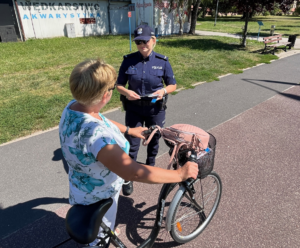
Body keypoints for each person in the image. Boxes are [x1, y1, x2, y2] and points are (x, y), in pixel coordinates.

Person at [59, 58, 198, 247]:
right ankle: (103, 238)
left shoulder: (74, 107)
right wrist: (180, 174)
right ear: (104, 96)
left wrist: (128, 130)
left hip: (81, 186)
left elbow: (99, 118)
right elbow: (133, 172)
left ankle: (106, 232)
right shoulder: (98, 138)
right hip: (101, 193)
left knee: (104, 228)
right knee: (99, 242)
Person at [116, 24, 177, 196]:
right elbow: (118, 85)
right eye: (138, 42)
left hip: (155, 109)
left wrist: (163, 91)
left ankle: (150, 168)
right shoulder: (128, 61)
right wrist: (127, 92)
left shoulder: (162, 62)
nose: (142, 45)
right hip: (134, 109)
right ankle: (128, 177)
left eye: (146, 41)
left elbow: (172, 84)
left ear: (153, 40)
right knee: (132, 143)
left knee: (154, 139)